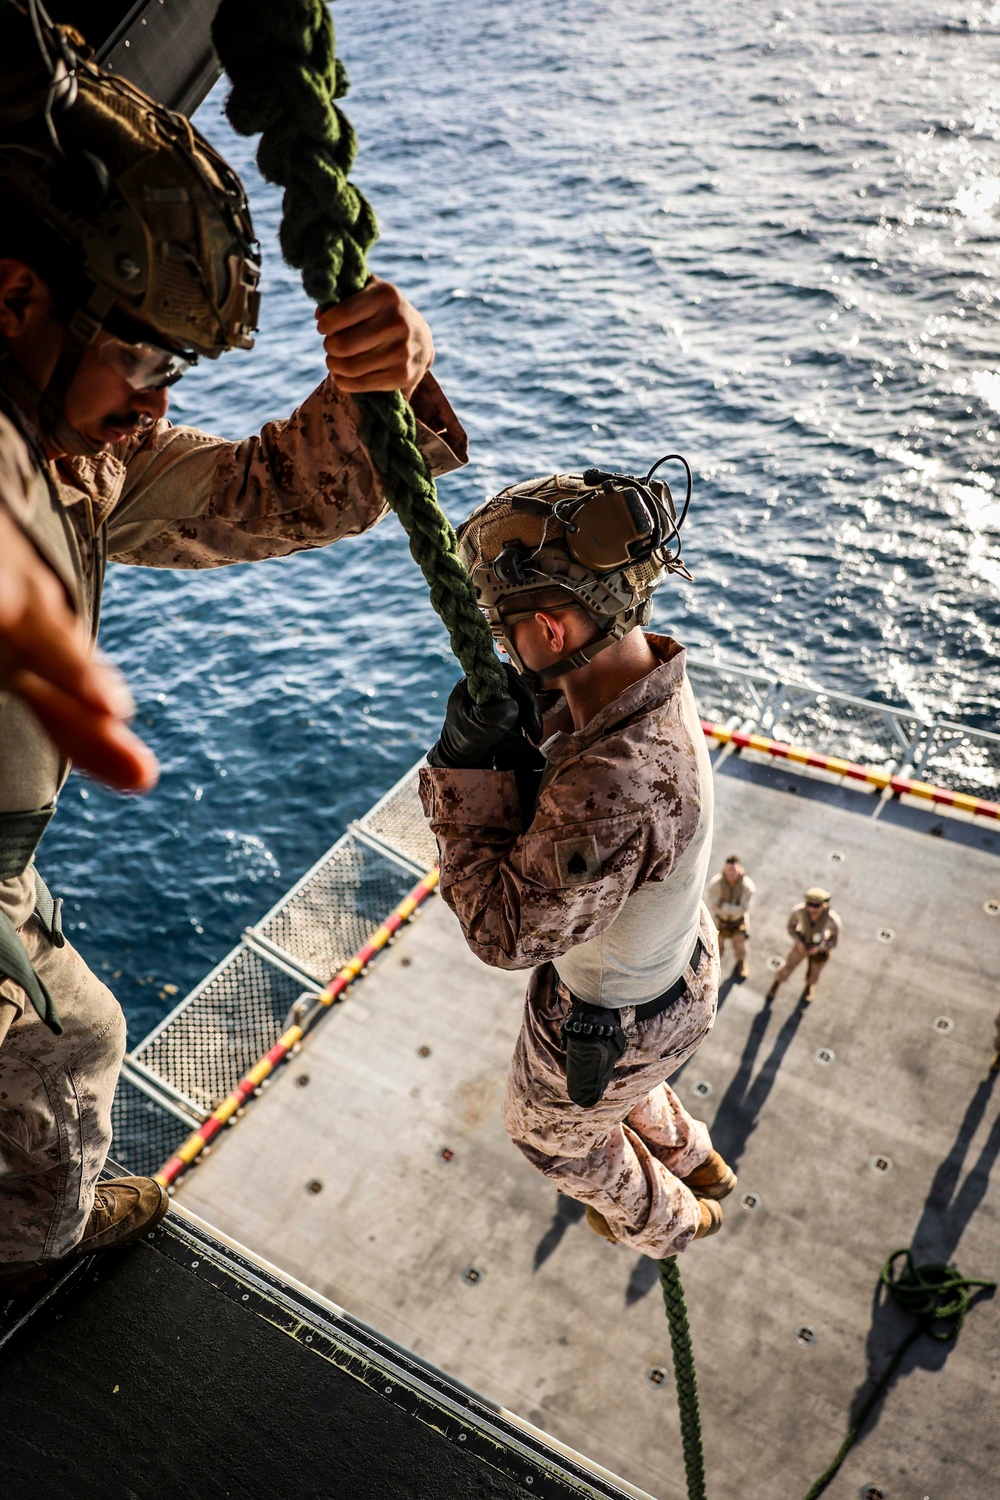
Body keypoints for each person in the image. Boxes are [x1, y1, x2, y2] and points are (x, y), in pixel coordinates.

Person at [0, 20, 466, 1289]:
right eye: (143, 354)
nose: (158, 401)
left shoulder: (81, 450)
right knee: (67, 1058)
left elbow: (269, 492)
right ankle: (32, 1233)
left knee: (78, 1038)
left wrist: (386, 379)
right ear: (18, 297)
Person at [419, 463, 737, 1259]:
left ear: (552, 631)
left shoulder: (611, 789)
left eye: (505, 631)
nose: (502, 645)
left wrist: (462, 775)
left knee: (553, 1140)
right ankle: (696, 1159)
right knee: (619, 1097)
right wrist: (537, 721)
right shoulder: (651, 676)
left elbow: (502, 933)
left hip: (609, 1024)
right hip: (672, 975)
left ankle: (671, 1220)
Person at [766, 887, 842, 1005]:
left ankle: (809, 987)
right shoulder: (799, 912)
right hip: (801, 944)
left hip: (819, 949)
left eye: (816, 906)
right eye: (809, 904)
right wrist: (799, 942)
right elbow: (791, 927)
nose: (812, 909)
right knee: (789, 965)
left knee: (815, 971)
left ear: (824, 904)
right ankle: (776, 983)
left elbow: (834, 941)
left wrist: (820, 948)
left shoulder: (832, 920)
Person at [706, 854, 755, 981]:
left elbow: (744, 908)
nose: (732, 872)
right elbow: (713, 905)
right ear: (725, 869)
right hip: (720, 921)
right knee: (716, 947)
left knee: (741, 948)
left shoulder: (747, 886)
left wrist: (725, 907)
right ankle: (715, 967)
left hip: (738, 922)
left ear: (739, 869)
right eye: (729, 870)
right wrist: (732, 908)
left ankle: (741, 963)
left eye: (734, 870)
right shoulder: (716, 884)